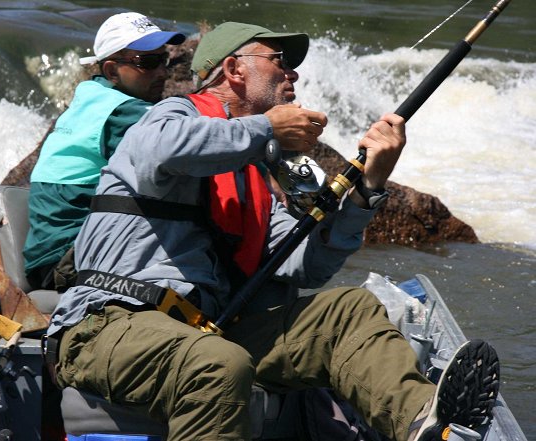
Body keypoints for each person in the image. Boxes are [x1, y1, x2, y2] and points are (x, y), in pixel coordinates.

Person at [47, 22, 499, 441]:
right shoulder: (167, 116)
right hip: (109, 323)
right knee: (217, 363)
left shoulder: (258, 177)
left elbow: (306, 262)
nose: (294, 75)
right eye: (280, 60)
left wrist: (369, 189)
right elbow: (165, 152)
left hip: (207, 329)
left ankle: (427, 424)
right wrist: (266, 128)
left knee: (348, 310)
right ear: (233, 69)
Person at [23, 12, 186, 291]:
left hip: (58, 255)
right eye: (147, 62)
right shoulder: (119, 112)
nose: (162, 72)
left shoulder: (93, 98)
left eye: (164, 60)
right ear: (111, 71)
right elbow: (188, 144)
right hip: (65, 263)